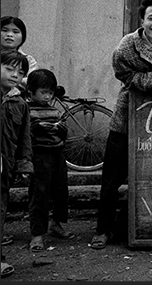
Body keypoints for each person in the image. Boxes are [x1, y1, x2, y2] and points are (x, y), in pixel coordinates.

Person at [90, 0, 152, 250]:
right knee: (112, 178)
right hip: (127, 118)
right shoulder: (127, 46)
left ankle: (141, 226)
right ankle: (103, 229)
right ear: (142, 20)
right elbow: (125, 76)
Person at [26, 69, 73, 253]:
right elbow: (24, 134)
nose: (47, 96)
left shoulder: (54, 110)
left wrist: (61, 128)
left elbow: (64, 132)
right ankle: (37, 234)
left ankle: (57, 224)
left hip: (57, 154)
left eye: (50, 93)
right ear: (30, 91)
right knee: (39, 194)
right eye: (43, 92)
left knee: (61, 191)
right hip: (39, 155)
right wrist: (36, 127)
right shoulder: (26, 109)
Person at [1, 49, 33, 278]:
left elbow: (24, 138)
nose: (14, 75)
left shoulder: (19, 103)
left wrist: (24, 164)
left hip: (5, 166)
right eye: (9, 69)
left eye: (20, 72)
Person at [1, 16, 39, 96]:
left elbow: (32, 82)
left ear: (23, 36)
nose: (9, 35)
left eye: (15, 32)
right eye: (4, 30)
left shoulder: (28, 60)